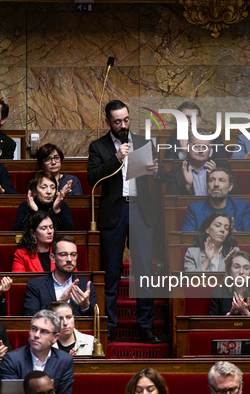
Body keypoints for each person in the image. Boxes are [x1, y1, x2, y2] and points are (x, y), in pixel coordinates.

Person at [87, 100, 168, 344]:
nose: (123, 125)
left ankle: (146, 327)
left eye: (126, 120)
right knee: (111, 272)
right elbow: (93, 179)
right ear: (108, 122)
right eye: (117, 122)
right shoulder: (98, 146)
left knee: (144, 271)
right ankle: (110, 327)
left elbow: (162, 174)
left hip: (140, 210)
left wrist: (156, 171)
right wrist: (115, 158)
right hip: (114, 212)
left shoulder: (143, 142)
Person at [0, 310, 74, 394]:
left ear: (55, 337)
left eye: (44, 331)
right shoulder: (12, 360)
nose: (36, 335)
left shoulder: (64, 360)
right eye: (34, 329)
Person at [24, 235, 96, 317]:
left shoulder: (85, 285)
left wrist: (85, 306)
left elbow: (96, 322)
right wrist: (59, 301)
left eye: (73, 254)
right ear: (53, 258)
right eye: (63, 254)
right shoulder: (36, 285)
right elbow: (30, 317)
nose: (69, 259)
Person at [182, 168, 250, 232]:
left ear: (230, 187)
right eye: (212, 180)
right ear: (207, 185)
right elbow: (187, 239)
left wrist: (234, 234)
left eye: (221, 180)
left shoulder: (242, 207)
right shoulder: (194, 209)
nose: (216, 184)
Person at [166, 131, 239, 196]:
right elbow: (171, 203)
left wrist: (216, 177)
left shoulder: (223, 167)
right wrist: (187, 186)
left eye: (205, 147)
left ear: (210, 150)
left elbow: (234, 194)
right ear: (188, 147)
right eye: (196, 146)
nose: (200, 150)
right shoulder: (175, 173)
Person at [210, 250, 250, 316]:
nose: (241, 272)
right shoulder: (218, 294)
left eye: (246, 268)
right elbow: (212, 324)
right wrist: (229, 316)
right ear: (229, 271)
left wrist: (247, 314)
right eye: (237, 267)